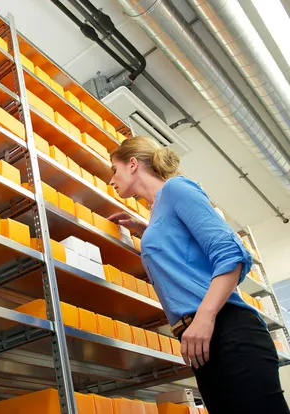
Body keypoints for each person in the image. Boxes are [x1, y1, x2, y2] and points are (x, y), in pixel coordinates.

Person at [107, 136, 289, 414]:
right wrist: (146, 231)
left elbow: (232, 254)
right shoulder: (157, 211)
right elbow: (182, 252)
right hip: (198, 339)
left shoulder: (177, 189)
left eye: (114, 169)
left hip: (225, 328)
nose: (111, 180)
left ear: (132, 164)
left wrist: (204, 318)